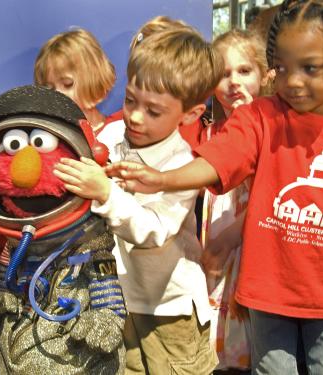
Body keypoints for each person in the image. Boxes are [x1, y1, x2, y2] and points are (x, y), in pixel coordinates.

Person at [105, 1, 323, 373]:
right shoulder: (261, 117)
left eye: (310, 68)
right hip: (270, 292)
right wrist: (162, 179)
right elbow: (218, 160)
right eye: (282, 69)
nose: (293, 82)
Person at [54, 28, 224, 374]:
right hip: (119, 302)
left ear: (189, 115)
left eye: (153, 111)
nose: (134, 116)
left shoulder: (182, 164)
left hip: (170, 310)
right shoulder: (112, 136)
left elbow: (153, 231)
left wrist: (106, 192)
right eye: (130, 101)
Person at [200, 28, 271, 372]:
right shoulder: (210, 131)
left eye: (244, 71)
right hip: (215, 246)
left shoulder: (269, 129)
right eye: (223, 74)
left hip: (249, 247)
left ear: (263, 74)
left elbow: (268, 195)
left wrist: (229, 238)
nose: (233, 82)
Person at [34, 28, 117, 136]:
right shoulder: (49, 138)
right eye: (50, 88)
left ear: (93, 81)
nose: (57, 94)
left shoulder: (118, 131)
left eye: (67, 84)